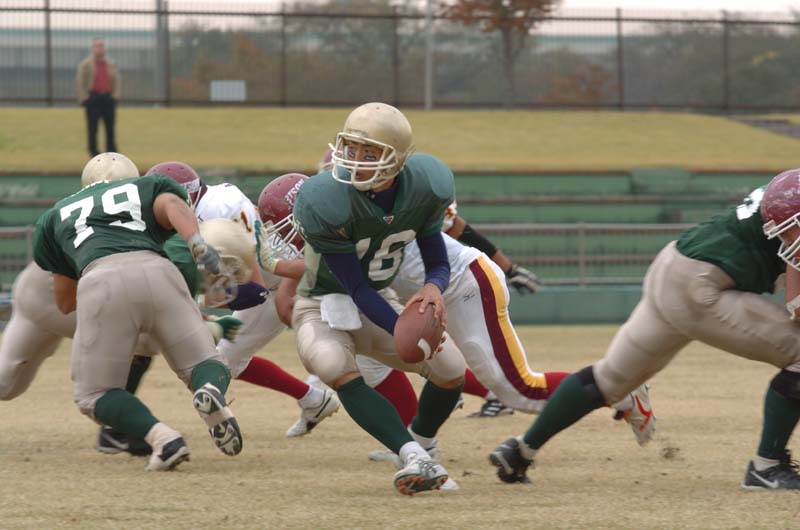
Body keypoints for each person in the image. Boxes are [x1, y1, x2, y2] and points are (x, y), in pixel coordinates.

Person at [489, 172, 800, 490]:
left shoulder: (788, 193)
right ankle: (767, 466)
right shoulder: (792, 202)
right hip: (701, 285)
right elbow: (797, 305)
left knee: (607, 380)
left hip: (674, 265)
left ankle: (519, 452)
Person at [291, 102, 466, 496]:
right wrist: (401, 327)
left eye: (369, 153)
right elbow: (355, 288)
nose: (355, 160)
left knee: (451, 367)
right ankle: (411, 455)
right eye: (351, 148)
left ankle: (423, 444)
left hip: (380, 297)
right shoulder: (326, 200)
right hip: (320, 304)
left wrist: (433, 287)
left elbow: (438, 261)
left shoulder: (425, 187)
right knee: (334, 364)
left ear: (397, 160)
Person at [33, 152, 243, 471]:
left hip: (100, 280)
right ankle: (209, 389)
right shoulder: (146, 186)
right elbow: (171, 204)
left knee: (94, 394)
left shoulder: (55, 215)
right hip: (158, 270)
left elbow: (64, 302)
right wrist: (196, 242)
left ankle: (164, 439)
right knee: (206, 363)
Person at [149, 161, 340, 438]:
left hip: (286, 278)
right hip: (271, 280)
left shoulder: (215, 209)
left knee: (358, 351)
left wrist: (198, 300)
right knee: (226, 360)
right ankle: (313, 400)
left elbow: (253, 290)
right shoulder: (209, 202)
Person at [76, 39, 120, 157]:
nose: (100, 48)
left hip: (107, 98)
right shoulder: (86, 64)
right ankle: (93, 152)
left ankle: (112, 152)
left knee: (110, 127)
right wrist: (84, 98)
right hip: (93, 98)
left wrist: (115, 96)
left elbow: (116, 80)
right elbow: (80, 81)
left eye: (102, 46)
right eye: (97, 46)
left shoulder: (110, 64)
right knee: (92, 128)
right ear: (93, 48)